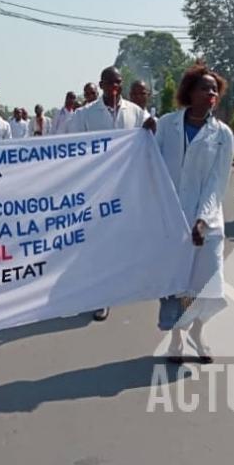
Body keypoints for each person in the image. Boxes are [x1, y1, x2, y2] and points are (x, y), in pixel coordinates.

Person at [153, 63, 234, 364]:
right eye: (205, 88)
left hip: (208, 224)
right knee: (176, 283)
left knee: (207, 284)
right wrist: (143, 134)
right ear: (190, 92)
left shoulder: (222, 134)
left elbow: (217, 182)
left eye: (215, 89)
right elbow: (151, 164)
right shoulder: (166, 125)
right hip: (171, 219)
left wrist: (203, 220)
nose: (211, 93)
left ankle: (198, 333)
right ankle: (175, 339)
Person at [69, 66, 149, 321]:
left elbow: (148, 145)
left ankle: (114, 288)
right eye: (110, 84)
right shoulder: (85, 115)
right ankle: (100, 296)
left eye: (119, 83)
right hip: (95, 188)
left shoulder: (136, 112)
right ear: (101, 85)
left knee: (119, 240)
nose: (115, 88)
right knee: (96, 241)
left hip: (125, 187)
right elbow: (72, 149)